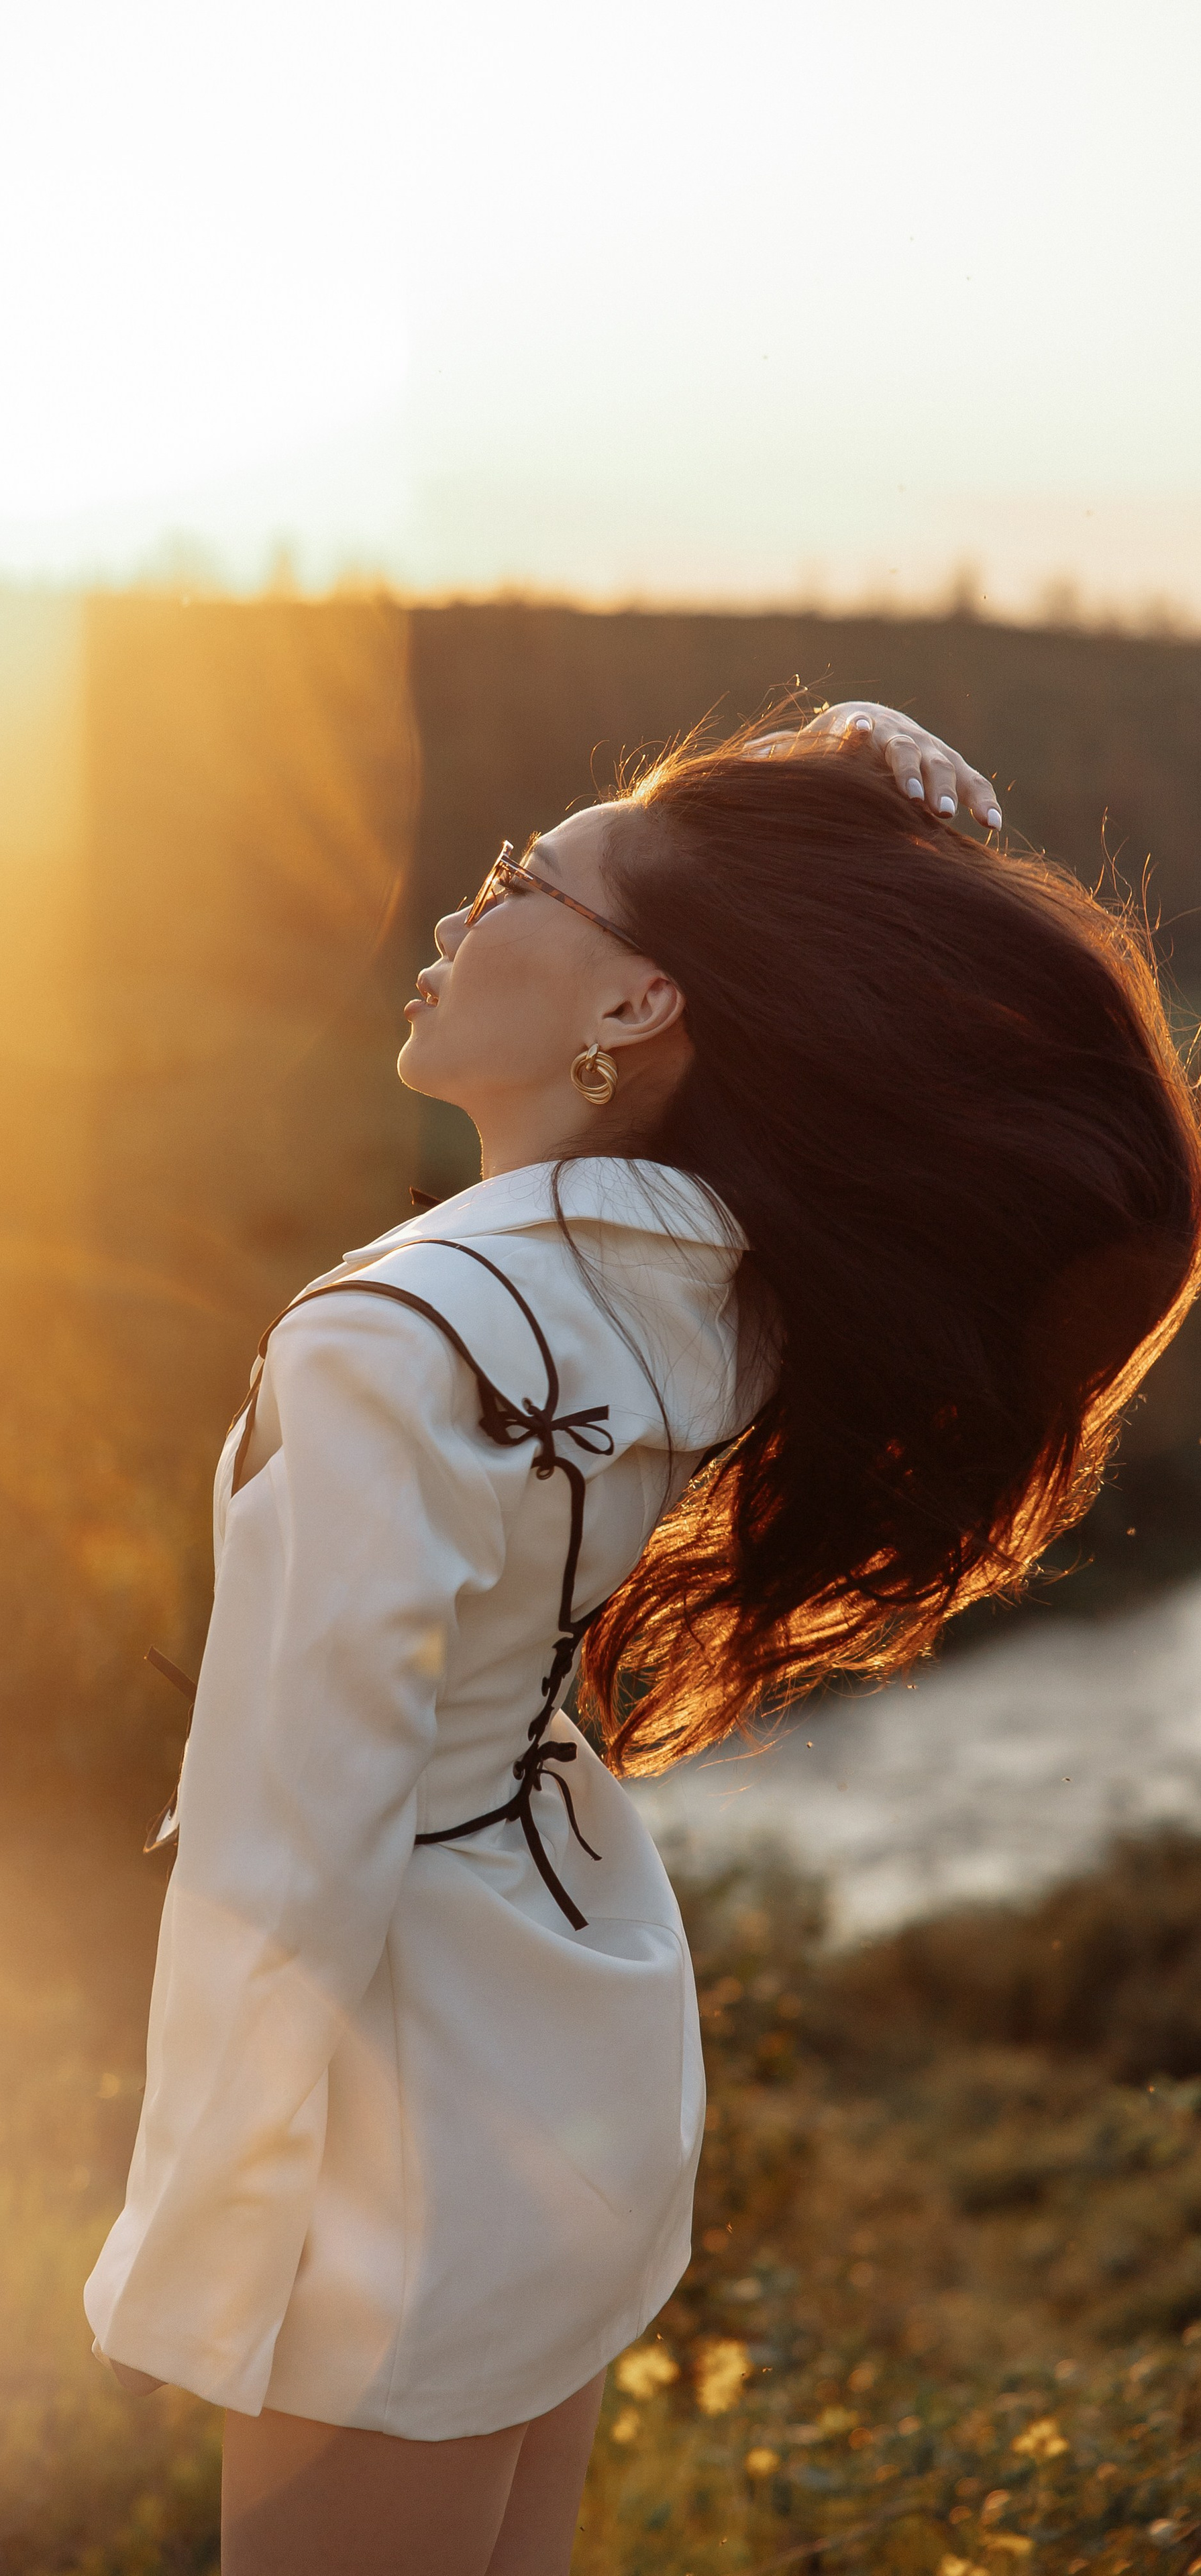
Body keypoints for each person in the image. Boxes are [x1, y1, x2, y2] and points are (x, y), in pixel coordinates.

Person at [84, 700, 1201, 2575]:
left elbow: (298, 1842)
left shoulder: (393, 1332)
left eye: (527, 879)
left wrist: (197, 2251)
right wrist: (840, 762)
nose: (463, 905)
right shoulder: (714, 1294)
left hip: (396, 2107)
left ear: (635, 1014)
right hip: (574, 2024)